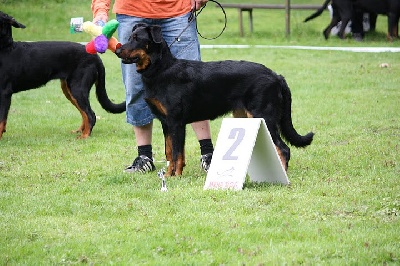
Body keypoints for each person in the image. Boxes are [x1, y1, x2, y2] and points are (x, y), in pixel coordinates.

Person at [91, 0, 214, 173]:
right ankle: (144, 157)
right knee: (136, 88)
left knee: (193, 85)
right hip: (132, 11)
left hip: (178, 11)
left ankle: (208, 154)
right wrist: (100, 10)